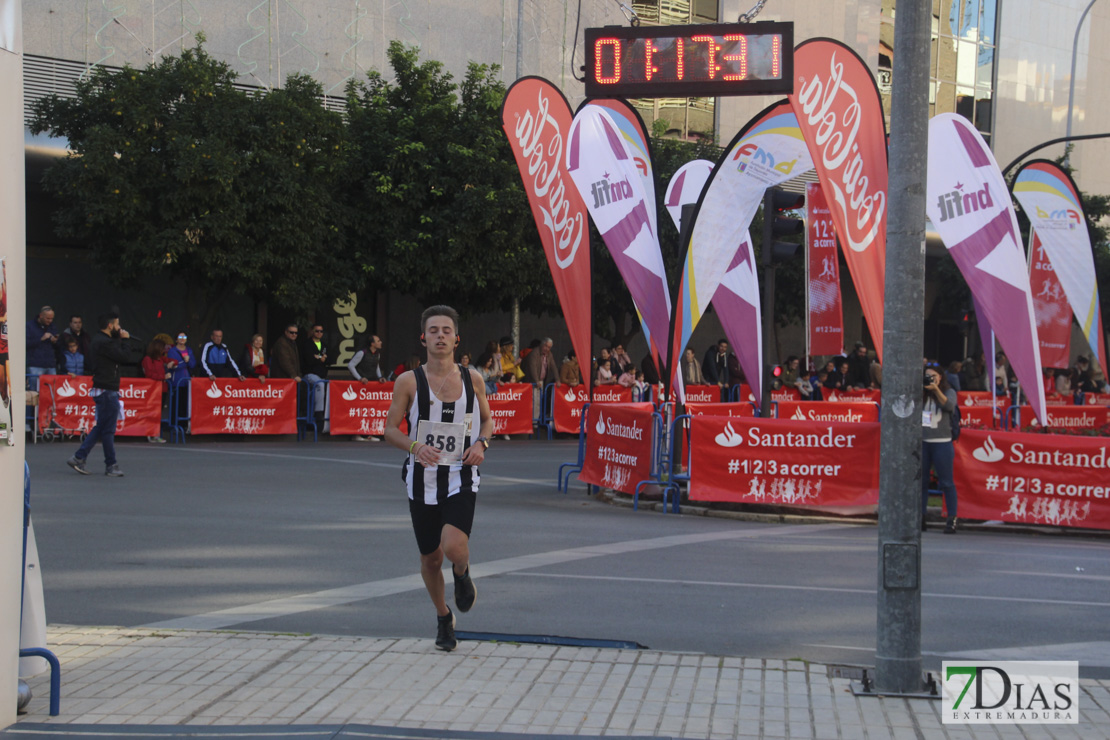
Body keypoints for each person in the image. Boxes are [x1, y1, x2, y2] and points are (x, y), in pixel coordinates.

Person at [383, 305, 493, 652]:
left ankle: (461, 572)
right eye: (434, 330)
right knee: (430, 559)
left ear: (456, 338)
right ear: (424, 337)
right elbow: (389, 430)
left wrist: (482, 443)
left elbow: (488, 421)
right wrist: (415, 446)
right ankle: (444, 616)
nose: (441, 335)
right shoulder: (408, 381)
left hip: (461, 475)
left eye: (446, 330)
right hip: (422, 480)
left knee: (453, 547)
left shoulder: (473, 379)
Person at [66, 312, 144, 477]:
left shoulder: (100, 341)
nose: (119, 327)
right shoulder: (104, 343)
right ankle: (107, 464)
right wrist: (126, 340)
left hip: (105, 388)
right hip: (107, 389)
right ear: (110, 325)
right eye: (117, 325)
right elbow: (123, 356)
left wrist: (119, 339)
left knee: (103, 427)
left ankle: (84, 458)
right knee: (106, 429)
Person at [922, 365, 959, 534]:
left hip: (942, 442)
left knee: (946, 482)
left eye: (933, 376)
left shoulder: (948, 391)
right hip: (923, 442)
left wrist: (936, 389)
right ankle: (920, 517)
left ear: (941, 377)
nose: (930, 379)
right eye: (927, 376)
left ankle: (951, 519)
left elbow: (949, 406)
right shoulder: (920, 393)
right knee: (921, 482)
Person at [348, 334, 386, 442]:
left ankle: (368, 433)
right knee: (359, 410)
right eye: (378, 341)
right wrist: (360, 378)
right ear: (372, 343)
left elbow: (376, 367)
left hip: (371, 385)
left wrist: (380, 377)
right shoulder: (362, 353)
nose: (380, 342)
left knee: (370, 410)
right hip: (360, 386)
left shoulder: (377, 354)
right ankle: (356, 434)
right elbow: (350, 365)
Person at [140, 338, 171, 443]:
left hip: (163, 389)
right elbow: (149, 374)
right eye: (162, 348)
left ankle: (155, 433)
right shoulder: (148, 359)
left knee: (158, 413)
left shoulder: (161, 359)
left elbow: (174, 361)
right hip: (153, 390)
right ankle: (150, 433)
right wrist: (163, 376)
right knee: (152, 412)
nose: (164, 351)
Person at [299, 324, 330, 422]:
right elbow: (309, 360)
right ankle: (319, 412)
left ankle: (314, 417)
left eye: (321, 331)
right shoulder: (306, 344)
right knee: (320, 385)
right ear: (312, 331)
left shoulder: (324, 345)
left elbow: (330, 359)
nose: (319, 333)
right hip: (309, 373)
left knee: (318, 392)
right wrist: (321, 358)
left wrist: (319, 358)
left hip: (322, 374)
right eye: (317, 331)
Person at [26, 305, 60, 390]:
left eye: (52, 318)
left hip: (50, 364)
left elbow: (58, 346)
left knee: (51, 391)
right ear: (41, 316)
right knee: (34, 392)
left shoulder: (52, 326)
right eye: (48, 318)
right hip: (35, 364)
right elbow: (25, 344)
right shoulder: (29, 326)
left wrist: (55, 340)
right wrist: (41, 339)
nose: (50, 321)